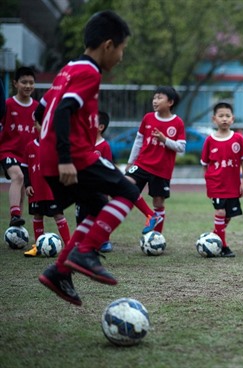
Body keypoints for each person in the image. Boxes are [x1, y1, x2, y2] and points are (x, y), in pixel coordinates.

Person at [36, 10, 140, 306]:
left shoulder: (67, 69)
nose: (120, 57)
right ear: (108, 45)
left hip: (50, 156)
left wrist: (50, 148)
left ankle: (60, 271)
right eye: (121, 49)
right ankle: (86, 251)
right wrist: (66, 157)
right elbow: (64, 109)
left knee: (96, 205)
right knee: (129, 191)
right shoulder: (90, 72)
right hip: (75, 156)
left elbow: (41, 111)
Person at [125, 86, 185, 234]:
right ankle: (150, 215)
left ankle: (156, 237)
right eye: (154, 97)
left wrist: (164, 140)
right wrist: (130, 162)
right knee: (125, 185)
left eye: (159, 98)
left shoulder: (177, 122)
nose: (155, 101)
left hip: (162, 170)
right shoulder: (148, 118)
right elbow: (138, 141)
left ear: (170, 102)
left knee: (158, 202)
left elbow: (181, 147)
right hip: (142, 164)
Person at [201, 102, 243, 257]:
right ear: (214, 119)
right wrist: (208, 181)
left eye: (227, 116)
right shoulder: (210, 140)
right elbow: (204, 164)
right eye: (221, 116)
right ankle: (223, 247)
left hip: (233, 185)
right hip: (216, 184)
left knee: (228, 215)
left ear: (232, 119)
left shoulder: (238, 139)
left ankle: (213, 237)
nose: (224, 119)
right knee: (220, 212)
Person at [21, 120, 71, 257]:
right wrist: (28, 184)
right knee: (37, 215)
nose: (43, 127)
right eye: (39, 123)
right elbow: (25, 168)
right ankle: (38, 246)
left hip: (52, 190)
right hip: (36, 190)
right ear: (35, 126)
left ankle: (69, 246)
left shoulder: (55, 145)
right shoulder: (30, 147)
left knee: (58, 215)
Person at [0, 67, 39, 227]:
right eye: (24, 82)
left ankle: (16, 227)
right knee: (18, 176)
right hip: (8, 151)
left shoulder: (37, 107)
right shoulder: (7, 105)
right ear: (15, 83)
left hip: (27, 157)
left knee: (22, 190)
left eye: (31, 82)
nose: (28, 86)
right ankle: (15, 215)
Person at [75, 111, 114, 252]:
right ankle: (82, 239)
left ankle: (104, 241)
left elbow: (108, 169)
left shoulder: (104, 146)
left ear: (100, 127)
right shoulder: (82, 143)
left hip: (99, 189)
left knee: (102, 214)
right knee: (81, 214)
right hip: (82, 187)